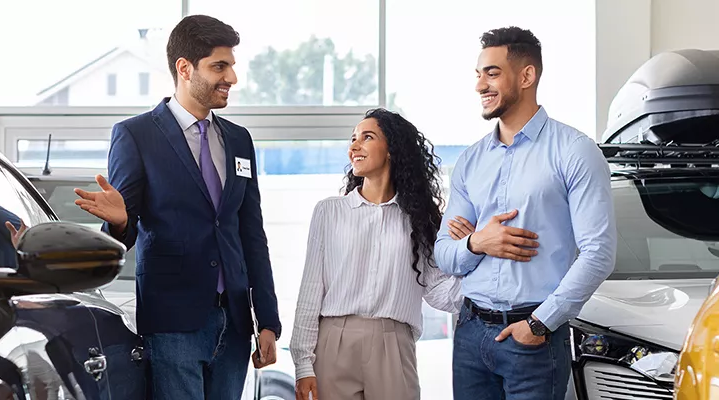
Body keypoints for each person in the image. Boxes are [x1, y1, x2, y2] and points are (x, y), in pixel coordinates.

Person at [71, 14, 281, 400]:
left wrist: (267, 319)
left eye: (232, 66)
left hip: (235, 323)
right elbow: (125, 233)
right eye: (220, 66)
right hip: (173, 322)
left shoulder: (238, 139)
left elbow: (252, 234)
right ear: (185, 68)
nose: (232, 77)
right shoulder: (136, 135)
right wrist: (119, 223)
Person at [433, 26, 617, 400]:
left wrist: (539, 322)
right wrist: (477, 241)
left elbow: (599, 253)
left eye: (492, 73)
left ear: (527, 75)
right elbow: (444, 254)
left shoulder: (575, 151)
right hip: (469, 332)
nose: (480, 85)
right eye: (479, 74)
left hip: (534, 337)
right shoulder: (470, 161)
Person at [290, 109, 460, 400]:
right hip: (334, 341)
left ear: (392, 149)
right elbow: (311, 290)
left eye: (367, 137)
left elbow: (439, 292)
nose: (354, 146)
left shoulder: (421, 220)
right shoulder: (329, 211)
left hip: (394, 345)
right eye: (353, 139)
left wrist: (475, 256)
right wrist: (303, 365)